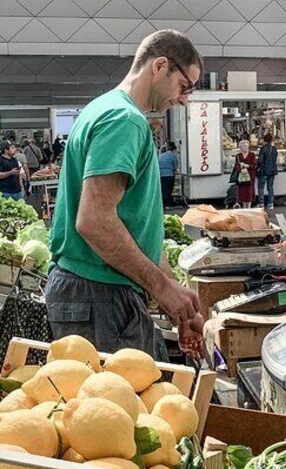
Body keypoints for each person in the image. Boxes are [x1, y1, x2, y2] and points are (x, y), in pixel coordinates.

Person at [45, 29, 204, 359]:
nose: (184, 99)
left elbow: (134, 225)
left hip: (97, 293)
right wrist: (161, 287)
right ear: (160, 66)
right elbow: (94, 221)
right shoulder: (124, 120)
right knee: (117, 407)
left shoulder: (105, 108)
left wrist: (173, 294)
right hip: (97, 294)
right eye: (184, 86)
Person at [257, 134, 278, 210]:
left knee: (261, 187)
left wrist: (257, 165)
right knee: (270, 187)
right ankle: (270, 203)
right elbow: (275, 159)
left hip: (264, 170)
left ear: (264, 140)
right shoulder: (274, 148)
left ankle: (261, 203)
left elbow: (260, 160)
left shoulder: (263, 148)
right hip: (272, 170)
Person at [234, 139, 256, 207]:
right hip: (241, 177)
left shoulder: (252, 155)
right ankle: (244, 206)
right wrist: (240, 168)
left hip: (250, 176)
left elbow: (254, 165)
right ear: (241, 147)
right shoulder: (238, 156)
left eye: (247, 146)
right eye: (244, 146)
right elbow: (236, 166)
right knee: (242, 192)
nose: (246, 148)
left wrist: (247, 165)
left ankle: (249, 207)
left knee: (249, 192)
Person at [157, 141, 179, 208]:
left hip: (160, 174)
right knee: (169, 189)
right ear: (174, 149)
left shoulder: (161, 156)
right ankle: (168, 203)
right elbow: (176, 167)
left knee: (163, 189)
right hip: (169, 175)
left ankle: (162, 204)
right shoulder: (173, 156)